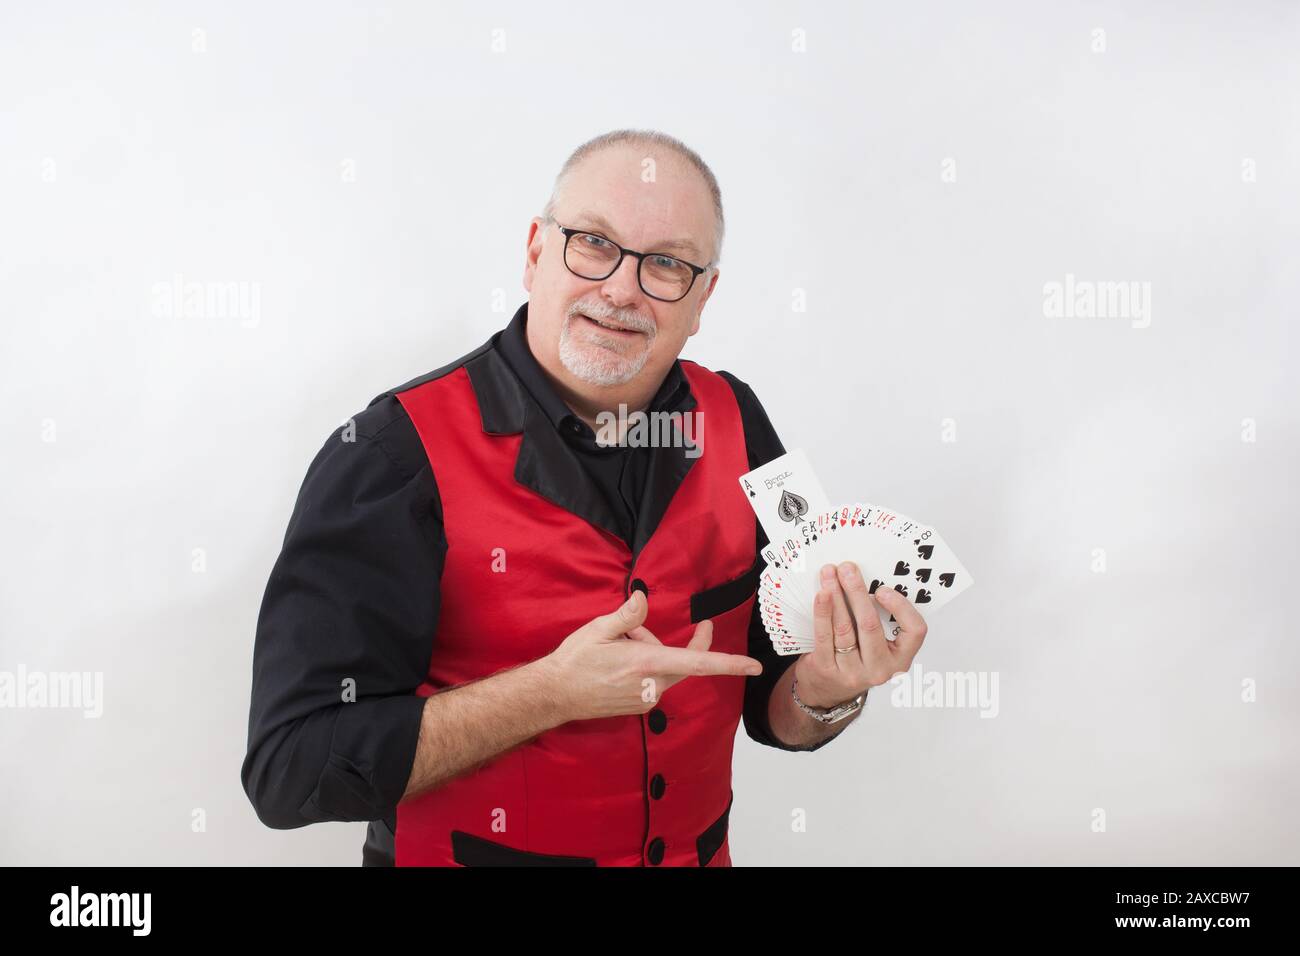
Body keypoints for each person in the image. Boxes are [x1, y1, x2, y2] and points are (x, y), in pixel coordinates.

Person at [241, 128, 928, 866]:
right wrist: (549, 693)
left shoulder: (738, 419)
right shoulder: (389, 456)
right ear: (536, 252)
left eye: (667, 263)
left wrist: (828, 689)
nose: (622, 289)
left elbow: (774, 703)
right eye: (594, 243)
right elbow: (290, 771)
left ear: (703, 298)